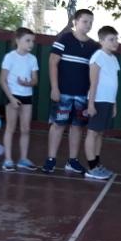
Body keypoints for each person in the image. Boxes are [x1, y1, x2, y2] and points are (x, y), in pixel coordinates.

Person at [43, 9, 97, 175]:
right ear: (75, 22)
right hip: (63, 93)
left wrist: (91, 97)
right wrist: (55, 88)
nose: (88, 25)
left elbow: (95, 72)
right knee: (58, 124)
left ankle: (72, 161)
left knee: (77, 127)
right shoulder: (64, 39)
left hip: (82, 95)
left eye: (91, 22)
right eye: (85, 21)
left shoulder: (94, 46)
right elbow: (53, 62)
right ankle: (51, 159)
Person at [0, 27, 39, 172]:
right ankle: (8, 159)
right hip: (13, 96)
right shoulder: (10, 57)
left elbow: (35, 80)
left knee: (25, 129)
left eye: (32, 41)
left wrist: (27, 83)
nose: (31, 44)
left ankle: (23, 159)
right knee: (10, 128)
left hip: (27, 96)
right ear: (17, 41)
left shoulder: (32, 59)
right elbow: (2, 80)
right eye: (27, 40)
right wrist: (11, 98)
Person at [84, 26, 119, 180]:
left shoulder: (114, 59)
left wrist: (114, 104)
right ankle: (91, 167)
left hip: (108, 102)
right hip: (97, 100)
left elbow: (114, 83)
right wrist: (91, 104)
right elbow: (94, 83)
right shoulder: (98, 56)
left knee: (100, 133)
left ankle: (97, 164)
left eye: (116, 39)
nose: (115, 42)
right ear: (101, 41)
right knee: (92, 132)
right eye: (111, 39)